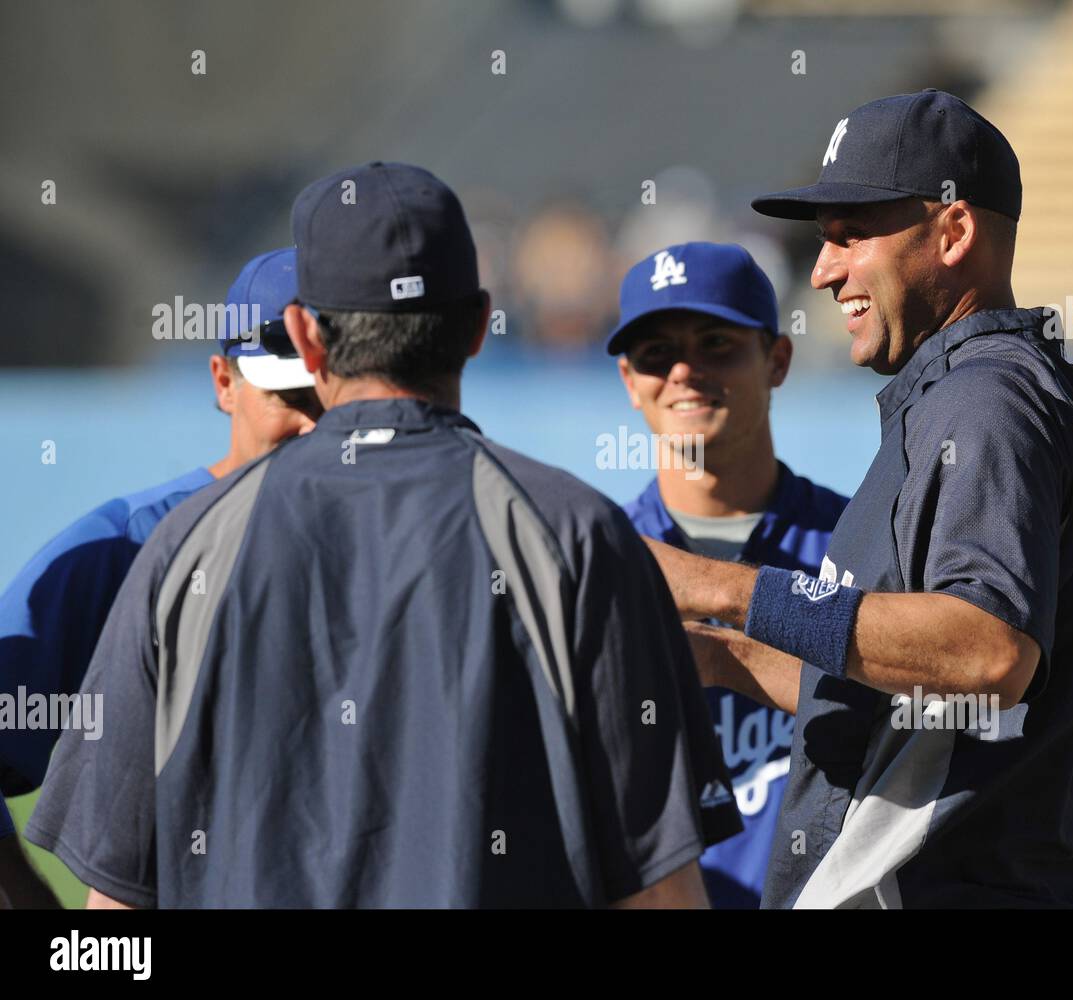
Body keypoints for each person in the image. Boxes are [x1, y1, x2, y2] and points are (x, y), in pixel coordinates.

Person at [28, 162, 741, 908]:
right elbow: (662, 897)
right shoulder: (574, 534)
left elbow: (111, 920)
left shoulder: (189, 546)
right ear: (476, 326)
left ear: (305, 335)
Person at [645, 90, 1073, 908]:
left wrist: (712, 584)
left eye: (852, 236)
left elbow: (988, 654)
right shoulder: (999, 392)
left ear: (953, 233)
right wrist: (724, 655)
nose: (822, 270)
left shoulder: (984, 401)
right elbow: (915, 688)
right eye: (823, 242)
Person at [0, 248, 319, 907]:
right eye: (286, 396)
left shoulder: (408, 541)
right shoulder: (122, 547)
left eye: (328, 396)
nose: (312, 421)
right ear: (224, 383)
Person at [609, 241, 846, 908]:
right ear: (630, 381)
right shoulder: (599, 558)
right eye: (656, 354)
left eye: (716, 343)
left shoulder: (860, 542)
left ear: (777, 360)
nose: (684, 370)